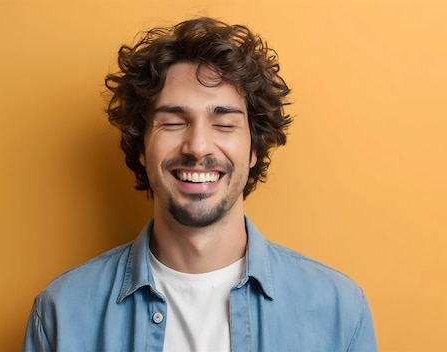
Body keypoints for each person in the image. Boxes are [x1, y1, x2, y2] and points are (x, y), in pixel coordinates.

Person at [21, 17, 377, 352]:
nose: (198, 146)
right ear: (140, 147)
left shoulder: (339, 313)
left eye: (224, 124)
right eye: (174, 122)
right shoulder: (60, 314)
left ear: (254, 148)